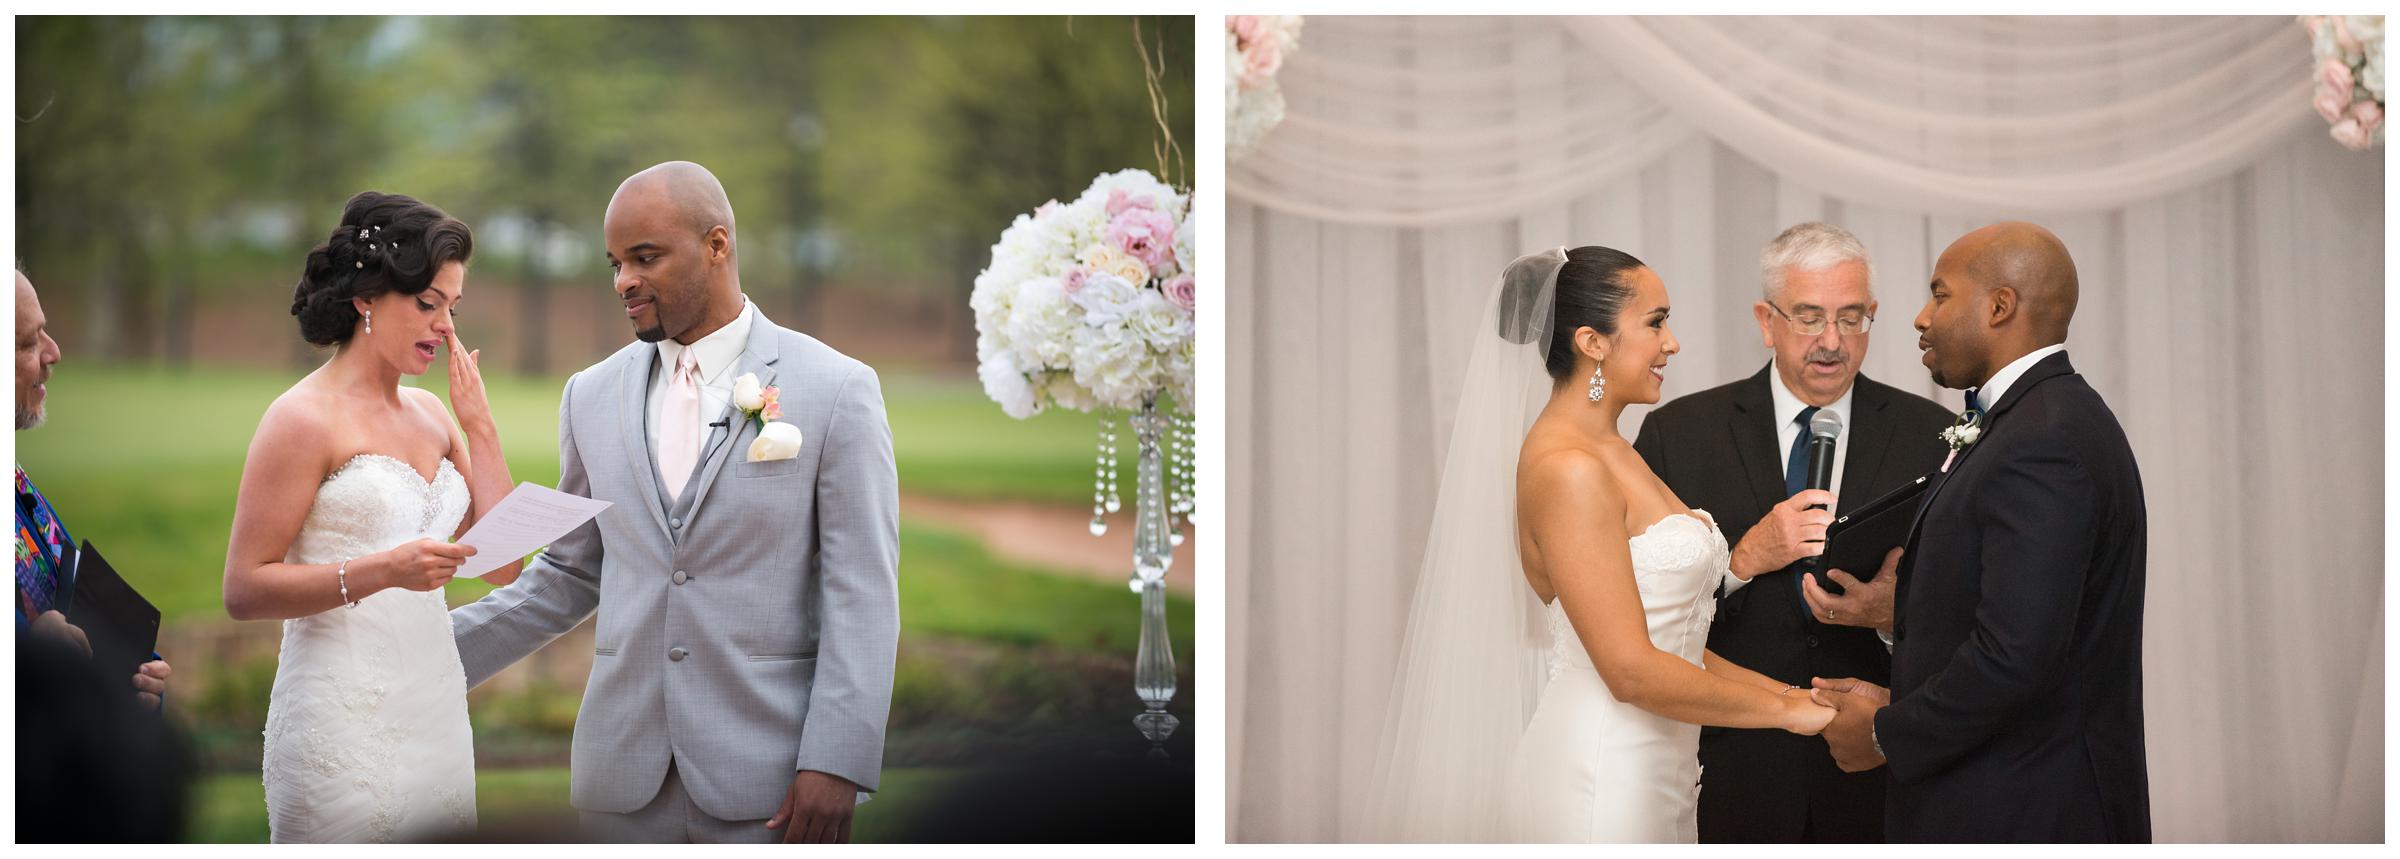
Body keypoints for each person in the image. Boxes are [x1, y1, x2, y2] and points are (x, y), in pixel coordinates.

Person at [448, 161, 900, 844]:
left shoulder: (836, 389)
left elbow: (862, 590)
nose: (622, 280)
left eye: (645, 257)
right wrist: (424, 656)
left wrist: (836, 760)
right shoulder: (589, 396)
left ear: (717, 246)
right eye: (614, 262)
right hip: (620, 784)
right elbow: (572, 571)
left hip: (771, 787)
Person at [1360, 246, 1833, 843]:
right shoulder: (1568, 468)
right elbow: (1629, 669)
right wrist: (1790, 715)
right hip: (1602, 777)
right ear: (1593, 342)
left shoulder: (1614, 449)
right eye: (1656, 322)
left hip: (1660, 770)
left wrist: (1796, 696)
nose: (1673, 343)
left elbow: (1672, 642)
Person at [1811, 222, 2151, 842]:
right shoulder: (2031, 420)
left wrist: (1887, 733)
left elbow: (2017, 658)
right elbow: (2024, 610)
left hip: (2026, 808)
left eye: (1939, 295)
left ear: (1999, 307)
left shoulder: (2044, 440)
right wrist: (1898, 616)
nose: (1920, 317)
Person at [1630, 223, 1953, 842]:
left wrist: (1891, 615)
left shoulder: (1932, 436)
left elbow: (1971, 611)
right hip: (1732, 769)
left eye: (1851, 318)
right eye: (1809, 318)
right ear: (1765, 319)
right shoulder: (1681, 434)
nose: (1831, 342)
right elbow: (1638, 617)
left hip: (1879, 776)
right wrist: (1741, 560)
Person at [222, 192, 511, 842]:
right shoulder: (301, 419)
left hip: (434, 708)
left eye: (453, 309)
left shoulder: (436, 416)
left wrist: (480, 426)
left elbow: (503, 563)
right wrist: (382, 570)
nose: (445, 328)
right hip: (339, 719)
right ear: (366, 298)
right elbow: (243, 588)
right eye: (427, 304)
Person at [16, 270, 175, 709]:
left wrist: (134, 677)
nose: (54, 352)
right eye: (27, 343)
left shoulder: (16, 483)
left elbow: (74, 600)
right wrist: (30, 649)